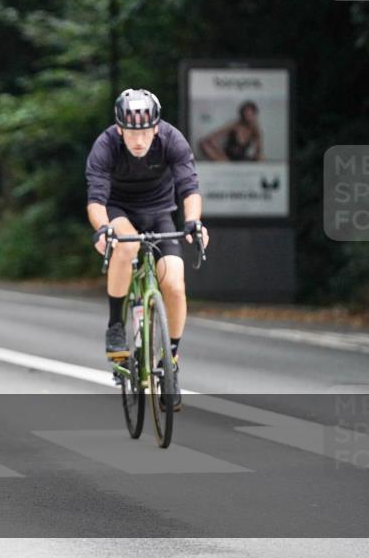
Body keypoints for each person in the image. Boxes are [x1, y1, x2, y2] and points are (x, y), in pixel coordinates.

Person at [85, 88, 210, 412]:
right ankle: (116, 325)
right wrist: (104, 229)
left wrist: (194, 221)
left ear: (155, 128)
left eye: (144, 132)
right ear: (119, 129)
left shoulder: (172, 139)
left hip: (159, 211)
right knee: (126, 249)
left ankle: (172, 356)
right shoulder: (105, 145)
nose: (138, 140)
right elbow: (96, 200)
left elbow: (189, 187)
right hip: (119, 210)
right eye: (131, 133)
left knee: (174, 283)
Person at [198, 100, 264, 162]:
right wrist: (219, 151)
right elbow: (211, 137)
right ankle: (225, 163)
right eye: (246, 114)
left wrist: (257, 157)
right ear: (242, 114)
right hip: (227, 158)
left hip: (242, 159)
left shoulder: (255, 129)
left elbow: (259, 150)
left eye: (251, 114)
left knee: (261, 158)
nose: (248, 116)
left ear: (254, 115)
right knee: (203, 144)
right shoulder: (234, 125)